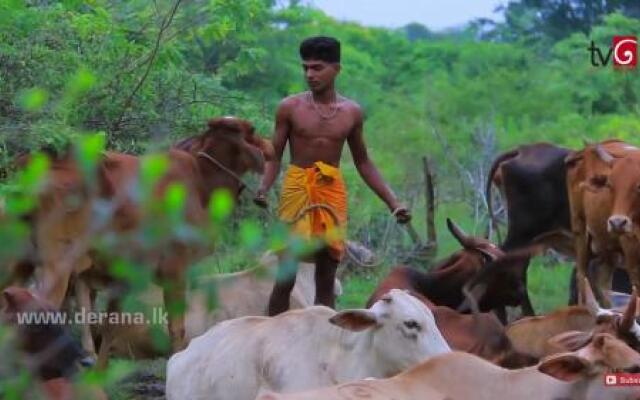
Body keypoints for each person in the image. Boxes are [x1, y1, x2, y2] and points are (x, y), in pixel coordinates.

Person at [254, 36, 411, 316]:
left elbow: (363, 162)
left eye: (317, 68)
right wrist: (263, 187)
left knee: (326, 274)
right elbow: (274, 155)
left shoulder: (351, 112)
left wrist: (393, 202)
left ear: (336, 69)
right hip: (297, 188)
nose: (309, 74)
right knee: (286, 274)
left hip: (330, 190)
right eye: (306, 68)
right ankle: (268, 338)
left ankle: (326, 343)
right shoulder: (290, 107)